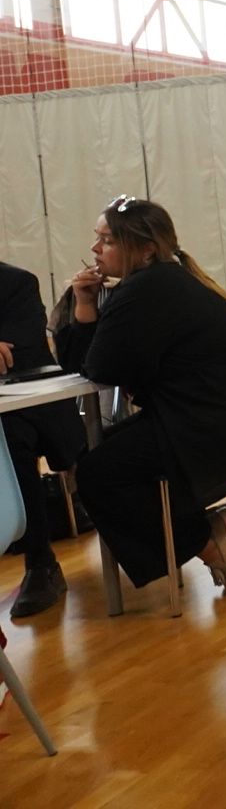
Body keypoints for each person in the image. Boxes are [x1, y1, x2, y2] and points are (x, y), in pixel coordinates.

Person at [54, 196, 226, 597]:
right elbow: (94, 366)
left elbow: (99, 369)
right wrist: (85, 304)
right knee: (102, 455)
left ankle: (206, 543)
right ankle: (202, 530)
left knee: (99, 474)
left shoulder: (144, 290)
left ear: (146, 249)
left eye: (108, 241)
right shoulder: (158, 280)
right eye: (96, 239)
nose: (96, 249)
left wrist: (86, 313)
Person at [0, 261, 85, 618]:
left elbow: (11, 356)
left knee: (10, 441)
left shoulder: (16, 283)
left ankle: (41, 562)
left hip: (31, 406)